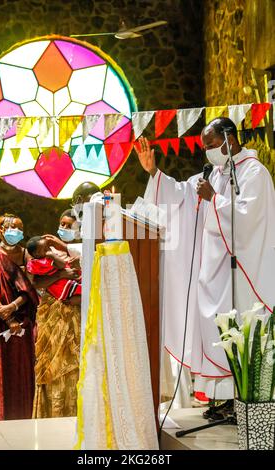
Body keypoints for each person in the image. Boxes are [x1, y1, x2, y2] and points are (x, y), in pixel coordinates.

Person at [135, 117, 275, 419]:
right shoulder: (217, 171)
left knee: (239, 330)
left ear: (229, 138)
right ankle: (225, 397)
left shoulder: (254, 173)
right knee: (217, 330)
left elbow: (249, 217)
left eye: (211, 145)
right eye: (204, 148)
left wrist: (215, 198)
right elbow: (183, 195)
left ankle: (244, 396)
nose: (208, 152)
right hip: (214, 270)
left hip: (242, 272)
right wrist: (154, 173)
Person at [0, 214, 39, 421]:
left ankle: (22, 414)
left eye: (20, 229)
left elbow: (31, 287)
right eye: (13, 229)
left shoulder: (25, 255)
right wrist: (3, 311)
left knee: (21, 366)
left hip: (21, 319)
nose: (17, 233)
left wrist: (13, 307)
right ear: (1, 229)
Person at [31, 209, 81, 418]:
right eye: (62, 224)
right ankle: (53, 411)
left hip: (77, 311)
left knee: (75, 360)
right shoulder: (45, 250)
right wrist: (61, 273)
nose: (64, 228)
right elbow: (37, 282)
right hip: (52, 310)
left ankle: (76, 409)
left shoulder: (86, 249)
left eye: (70, 225)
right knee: (53, 359)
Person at [26, 236, 81, 303]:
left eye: (48, 247)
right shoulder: (45, 260)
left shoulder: (48, 258)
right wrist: (53, 256)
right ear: (37, 254)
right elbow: (62, 265)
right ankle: (69, 301)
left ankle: (69, 300)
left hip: (65, 281)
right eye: (45, 249)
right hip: (60, 286)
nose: (49, 250)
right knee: (83, 292)